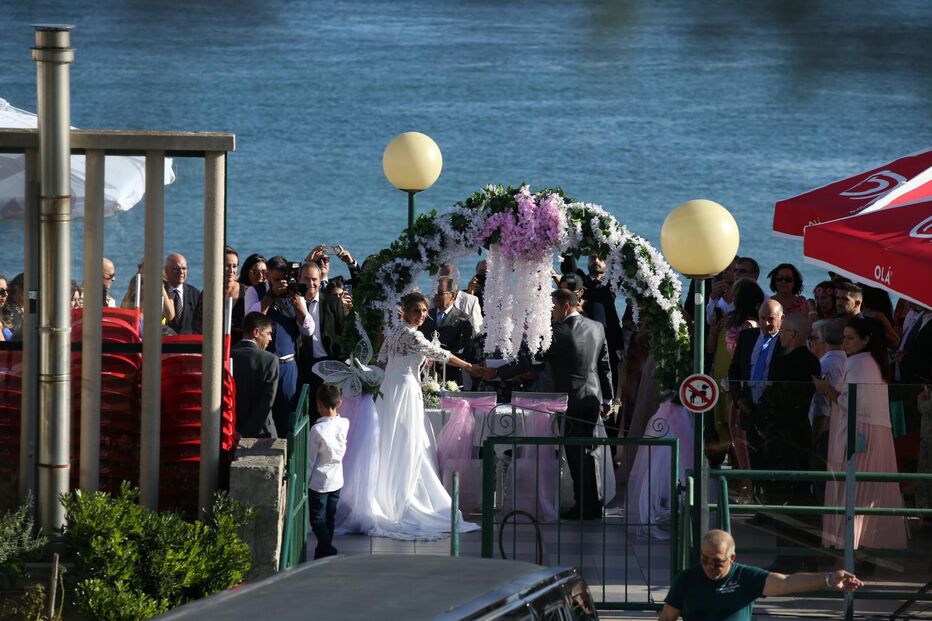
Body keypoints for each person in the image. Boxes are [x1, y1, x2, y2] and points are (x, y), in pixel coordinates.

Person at [479, 288, 613, 520]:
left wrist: (497, 373)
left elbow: (530, 361)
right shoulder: (597, 327)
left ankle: (585, 506)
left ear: (565, 306)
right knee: (590, 452)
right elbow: (604, 364)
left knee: (575, 453)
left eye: (552, 308)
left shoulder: (558, 333)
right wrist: (608, 397)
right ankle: (593, 503)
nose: (550, 314)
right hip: (592, 397)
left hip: (570, 400)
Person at [369, 291, 478, 540]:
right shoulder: (411, 334)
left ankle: (388, 489)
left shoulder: (395, 331)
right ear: (406, 311)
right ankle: (403, 496)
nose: (421, 315)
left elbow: (383, 357)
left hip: (390, 388)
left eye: (425, 311)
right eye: (416, 310)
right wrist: (470, 366)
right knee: (407, 440)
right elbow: (441, 355)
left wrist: (410, 362)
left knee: (392, 438)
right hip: (405, 390)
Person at [813, 317, 908, 552]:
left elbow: (852, 402)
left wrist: (827, 390)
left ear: (865, 340)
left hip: (859, 435)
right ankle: (861, 550)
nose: (844, 343)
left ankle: (850, 552)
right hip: (874, 433)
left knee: (853, 494)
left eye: (850, 338)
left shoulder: (857, 363)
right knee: (864, 495)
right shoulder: (874, 362)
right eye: (844, 338)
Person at [659, 529, 862, 621]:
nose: (710, 566)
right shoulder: (686, 579)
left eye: (717, 562)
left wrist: (827, 578)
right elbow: (667, 617)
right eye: (705, 559)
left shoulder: (746, 578)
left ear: (732, 558)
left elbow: (786, 582)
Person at [247, 256, 314, 435]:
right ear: (267, 275)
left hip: (287, 365)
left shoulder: (294, 294)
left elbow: (309, 329)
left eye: (283, 279)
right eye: (276, 280)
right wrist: (271, 295)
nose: (280, 283)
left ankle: (285, 454)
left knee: (287, 413)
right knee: (260, 412)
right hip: (263, 364)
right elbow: (250, 318)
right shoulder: (255, 291)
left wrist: (297, 304)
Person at [708, 278, 764, 484]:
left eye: (735, 293)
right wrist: (714, 330)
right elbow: (712, 349)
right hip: (722, 379)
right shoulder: (730, 320)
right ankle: (735, 479)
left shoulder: (750, 325)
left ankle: (743, 481)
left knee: (736, 431)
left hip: (734, 384)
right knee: (723, 426)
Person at [728, 299, 784, 476]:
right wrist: (738, 398)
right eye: (762, 318)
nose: (766, 323)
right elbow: (735, 369)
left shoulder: (786, 340)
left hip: (774, 410)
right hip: (748, 406)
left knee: (774, 461)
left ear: (782, 319)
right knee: (753, 459)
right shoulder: (747, 336)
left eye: (771, 319)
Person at [296, 262, 345, 420]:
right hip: (301, 364)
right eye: (306, 279)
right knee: (302, 410)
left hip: (326, 364)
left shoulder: (332, 302)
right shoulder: (293, 303)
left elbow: (341, 332)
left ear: (320, 280)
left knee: (326, 412)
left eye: (314, 279)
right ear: (299, 279)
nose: (310, 283)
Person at [307, 383, 350, 559]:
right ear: (339, 403)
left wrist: (305, 480)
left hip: (318, 482)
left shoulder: (316, 430)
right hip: (337, 479)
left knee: (317, 519)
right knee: (329, 518)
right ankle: (323, 551)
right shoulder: (344, 423)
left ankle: (327, 548)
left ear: (318, 405)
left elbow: (310, 460)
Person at [807, 319, 846, 491]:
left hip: (826, 434)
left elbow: (822, 408)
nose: (810, 342)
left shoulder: (824, 366)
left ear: (824, 340)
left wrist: (814, 438)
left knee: (823, 486)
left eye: (813, 338)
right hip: (844, 432)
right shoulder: (848, 362)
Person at [230, 312, 279, 438]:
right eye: (268, 333)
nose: (270, 339)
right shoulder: (270, 360)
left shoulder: (227, 356)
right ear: (256, 332)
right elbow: (266, 403)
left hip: (229, 430)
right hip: (261, 434)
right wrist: (245, 434)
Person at [419, 276, 473, 385]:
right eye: (434, 292)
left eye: (440, 293)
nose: (435, 296)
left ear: (453, 295)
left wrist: (438, 358)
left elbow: (463, 349)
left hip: (450, 376)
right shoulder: (424, 315)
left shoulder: (463, 319)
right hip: (424, 374)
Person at [194, 245, 246, 342]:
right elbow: (199, 325)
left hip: (240, 348)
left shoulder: (247, 292)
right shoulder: (209, 292)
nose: (231, 270)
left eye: (234, 266)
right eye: (227, 266)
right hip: (215, 346)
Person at [439, 262, 483, 333]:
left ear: (458, 279)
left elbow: (477, 331)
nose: (445, 281)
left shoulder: (471, 301)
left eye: (449, 278)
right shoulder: (431, 299)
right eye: (442, 278)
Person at [164, 253, 200, 334]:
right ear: (166, 270)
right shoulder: (160, 292)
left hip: (188, 343)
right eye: (176, 268)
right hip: (164, 343)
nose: (181, 272)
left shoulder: (195, 294)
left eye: (184, 268)